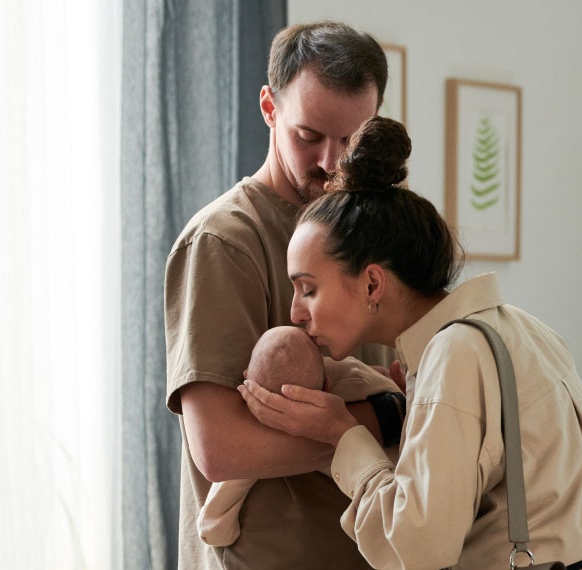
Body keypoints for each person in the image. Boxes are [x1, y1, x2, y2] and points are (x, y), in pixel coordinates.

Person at [239, 117, 582, 570]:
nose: (296, 312)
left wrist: (342, 436)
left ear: (372, 284)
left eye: (308, 288)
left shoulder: (455, 355)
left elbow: (417, 549)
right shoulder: (518, 327)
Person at [164, 20, 402, 570]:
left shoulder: (379, 234)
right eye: (309, 136)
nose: (331, 162)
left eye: (351, 139)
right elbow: (220, 447)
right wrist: (383, 421)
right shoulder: (223, 242)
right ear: (270, 108)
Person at [197, 325, 396, 546]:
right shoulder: (347, 373)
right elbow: (390, 393)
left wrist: (216, 530)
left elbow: (215, 519)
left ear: (247, 379)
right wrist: (389, 379)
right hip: (387, 466)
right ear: (327, 385)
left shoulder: (258, 448)